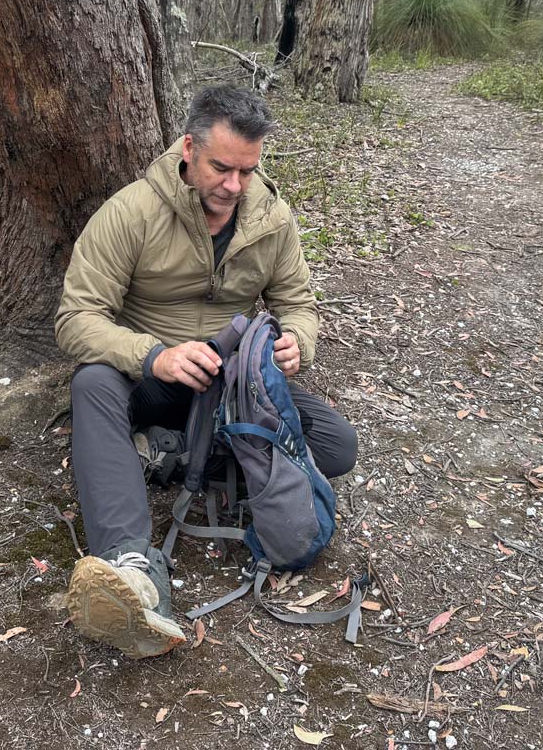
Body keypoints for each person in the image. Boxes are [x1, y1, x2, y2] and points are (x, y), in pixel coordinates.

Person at [54, 85, 358, 658]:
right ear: (189, 149)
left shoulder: (272, 219)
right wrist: (155, 355)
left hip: (229, 388)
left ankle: (165, 453)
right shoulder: (131, 213)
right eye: (221, 168)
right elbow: (76, 320)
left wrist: (298, 342)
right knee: (92, 383)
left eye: (248, 170)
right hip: (151, 378)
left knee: (337, 448)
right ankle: (132, 567)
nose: (234, 186)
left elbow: (297, 305)